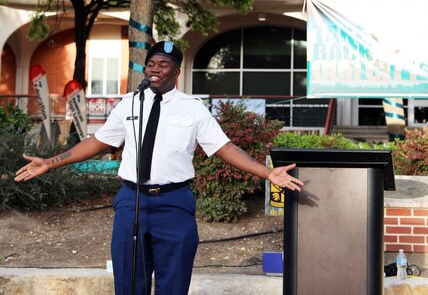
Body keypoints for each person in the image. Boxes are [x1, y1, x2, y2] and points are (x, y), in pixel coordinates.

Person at [15, 41, 304, 295]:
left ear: (176, 72)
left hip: (174, 204)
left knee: (173, 284)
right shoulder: (129, 103)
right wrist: (50, 163)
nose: (154, 69)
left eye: (163, 64)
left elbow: (225, 148)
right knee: (129, 284)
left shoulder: (193, 109)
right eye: (151, 63)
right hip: (132, 201)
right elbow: (97, 142)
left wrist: (267, 173)